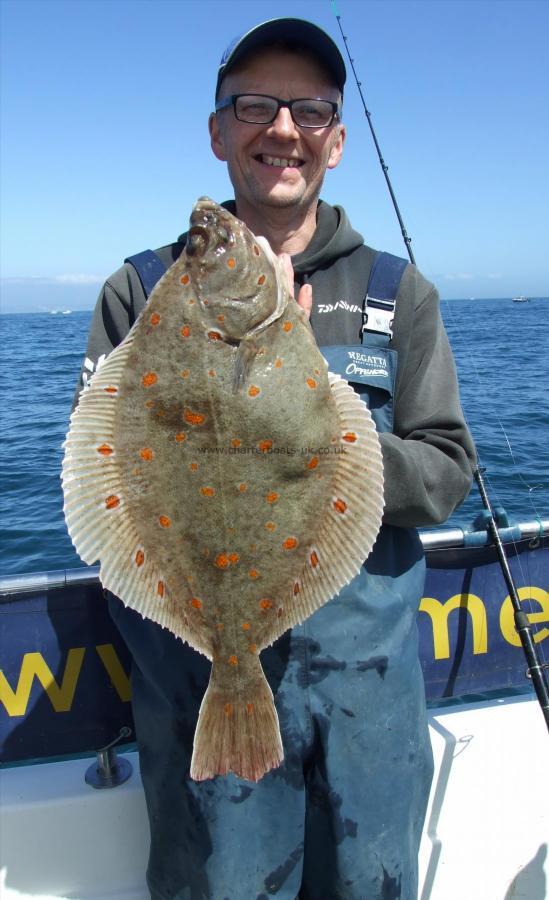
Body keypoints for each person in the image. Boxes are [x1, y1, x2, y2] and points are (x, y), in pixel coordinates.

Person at [74, 18, 476, 900]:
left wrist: (315, 422)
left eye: (309, 109)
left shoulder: (396, 294)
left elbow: (444, 472)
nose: (281, 128)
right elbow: (108, 470)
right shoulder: (139, 292)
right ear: (218, 131)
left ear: (334, 136)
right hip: (195, 699)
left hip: (366, 705)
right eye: (253, 105)